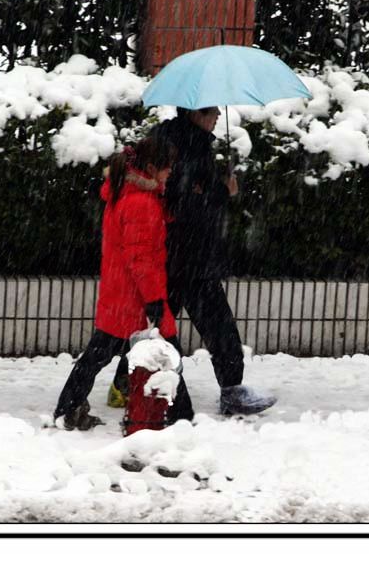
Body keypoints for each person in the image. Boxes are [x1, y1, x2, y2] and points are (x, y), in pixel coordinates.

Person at [108, 106, 277, 416]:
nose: (216, 117)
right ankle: (231, 390)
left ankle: (124, 382)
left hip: (179, 256)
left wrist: (214, 187)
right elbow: (183, 201)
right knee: (214, 327)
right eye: (212, 111)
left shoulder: (183, 141)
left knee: (163, 330)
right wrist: (220, 192)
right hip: (187, 256)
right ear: (195, 113)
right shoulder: (182, 146)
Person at [54, 137, 194, 430]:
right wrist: (155, 301)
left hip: (121, 293)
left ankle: (67, 409)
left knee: (96, 357)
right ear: (153, 167)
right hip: (137, 298)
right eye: (168, 167)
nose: (171, 172)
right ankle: (181, 418)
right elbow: (142, 259)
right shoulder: (141, 203)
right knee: (170, 356)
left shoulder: (129, 194)